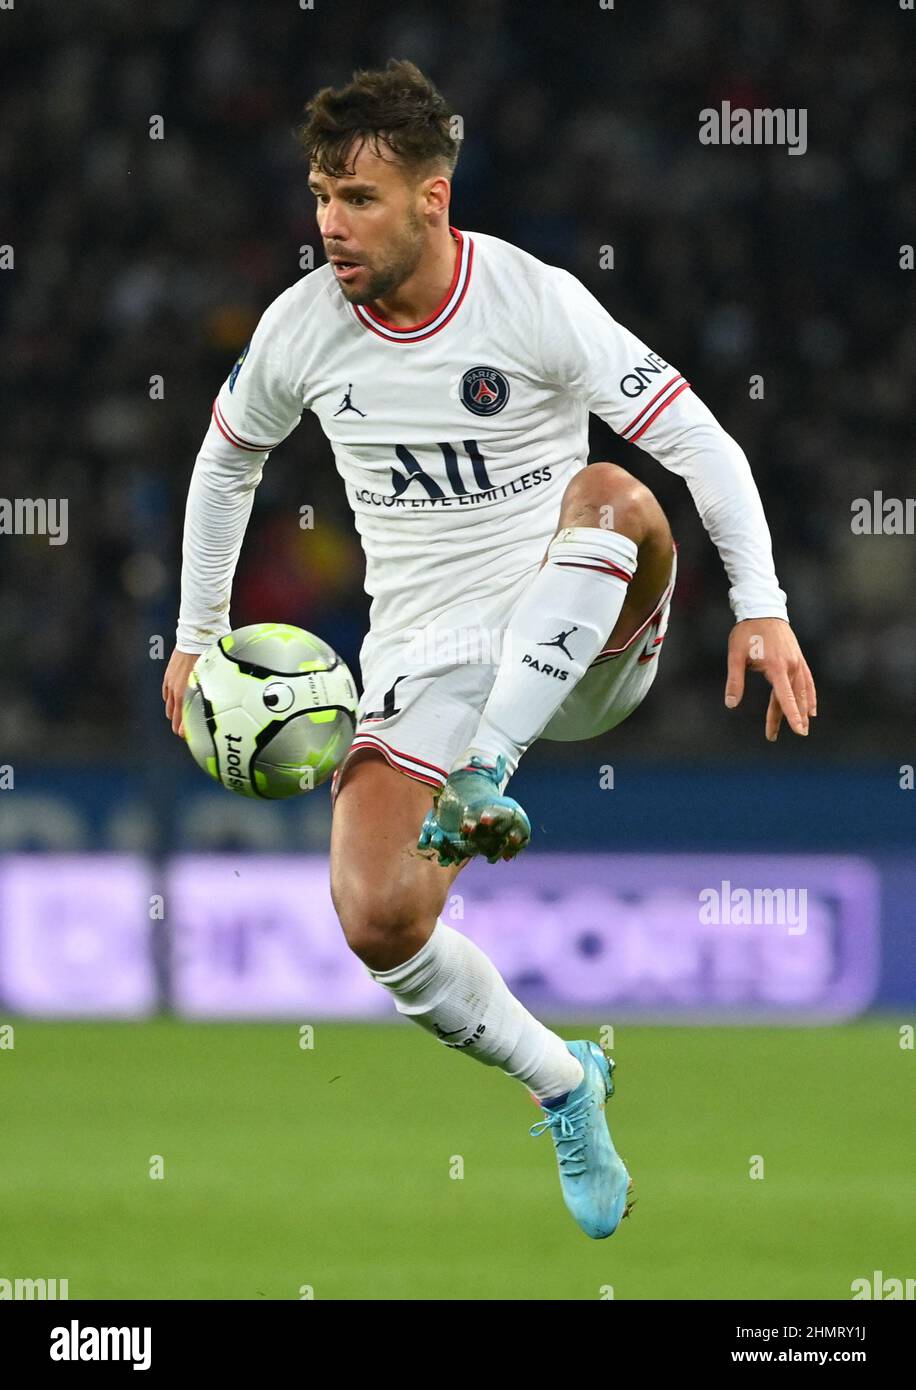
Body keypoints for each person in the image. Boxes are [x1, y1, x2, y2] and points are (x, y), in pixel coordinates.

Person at [162, 59, 816, 1240]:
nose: (329, 225)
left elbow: (702, 438)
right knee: (376, 916)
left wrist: (760, 603)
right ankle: (564, 1080)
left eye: (357, 199)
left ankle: (487, 777)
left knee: (616, 490)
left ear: (433, 198)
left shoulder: (531, 300)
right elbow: (226, 462)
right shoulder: (302, 327)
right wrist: (197, 632)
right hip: (429, 654)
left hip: (585, 622)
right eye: (318, 194)